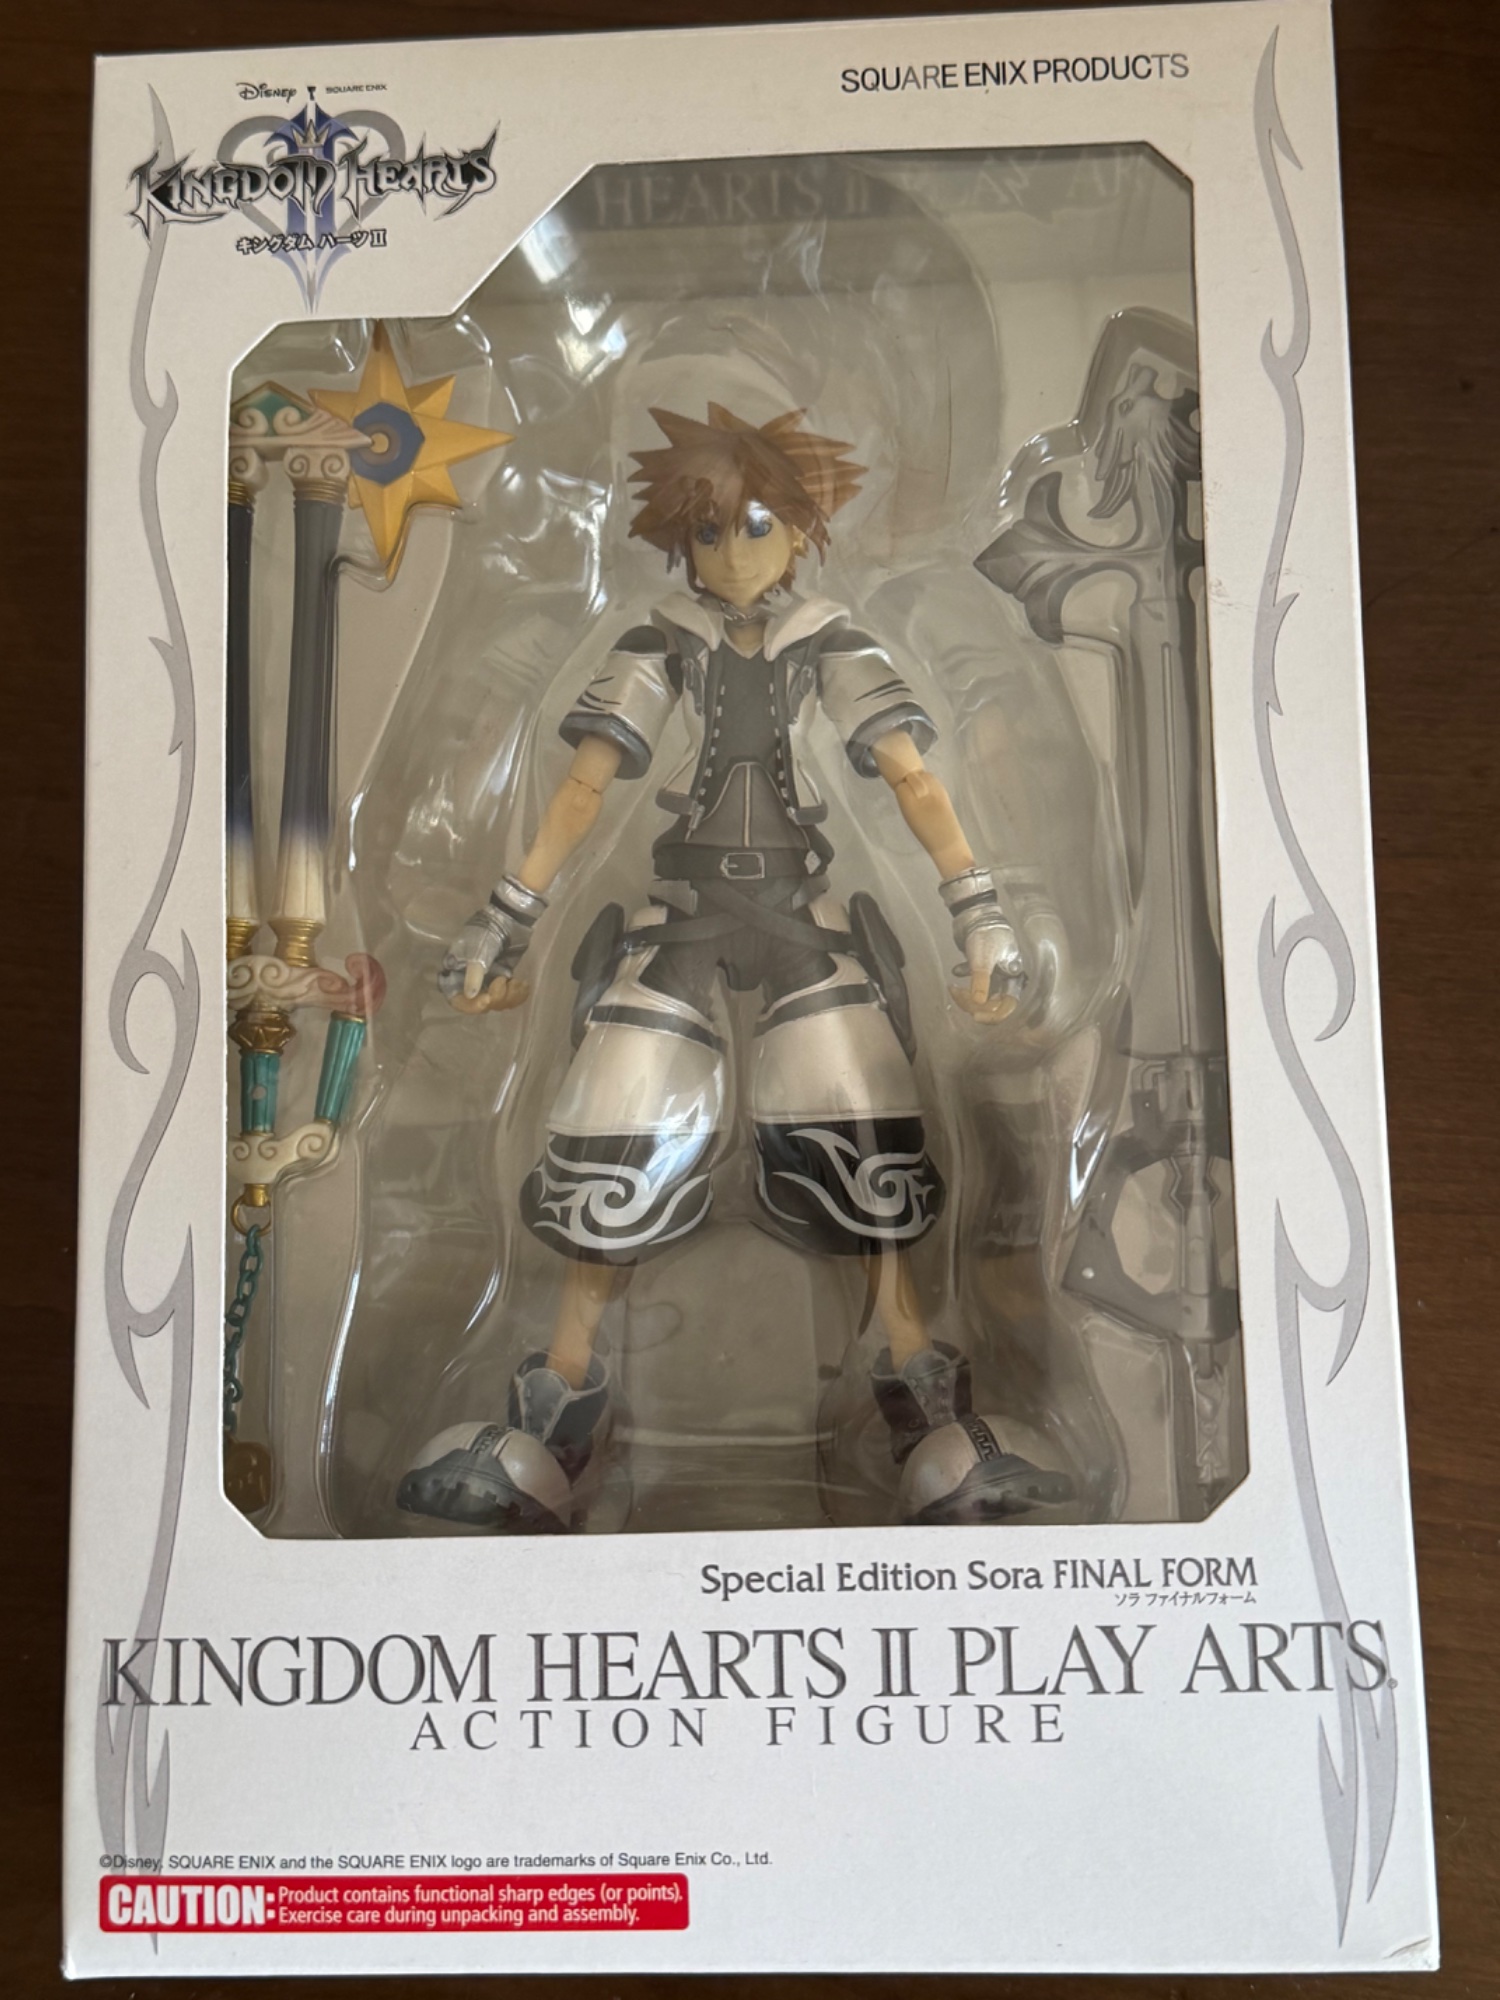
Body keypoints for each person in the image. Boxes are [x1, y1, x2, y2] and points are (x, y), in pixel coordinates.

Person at [399, 402, 1073, 1532]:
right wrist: (502, 923)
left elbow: (915, 780)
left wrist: (982, 915)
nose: (733, 551)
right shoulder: (660, 640)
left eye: (757, 524)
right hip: (685, 917)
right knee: (615, 1128)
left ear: (801, 529)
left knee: (859, 1130)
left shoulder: (833, 640)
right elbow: (583, 786)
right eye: (708, 531)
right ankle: (556, 1403)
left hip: (801, 917)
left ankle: (924, 1405)